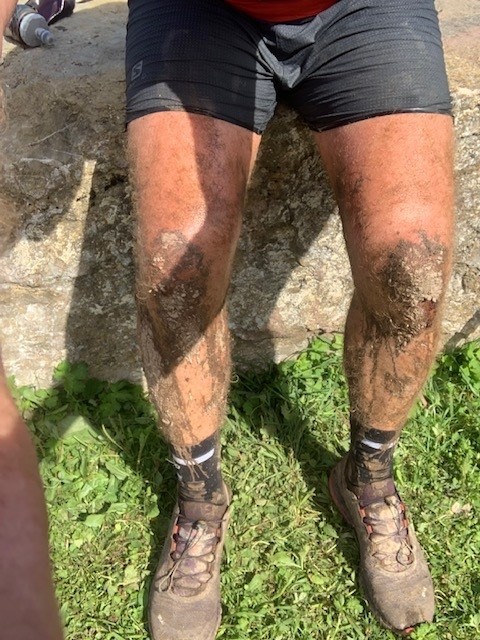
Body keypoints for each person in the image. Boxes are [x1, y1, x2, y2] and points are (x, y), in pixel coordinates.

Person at [3, 1, 455, 639]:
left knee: (412, 266)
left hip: (365, 10)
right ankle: (200, 497)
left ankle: (369, 477)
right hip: (201, 12)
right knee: (175, 269)